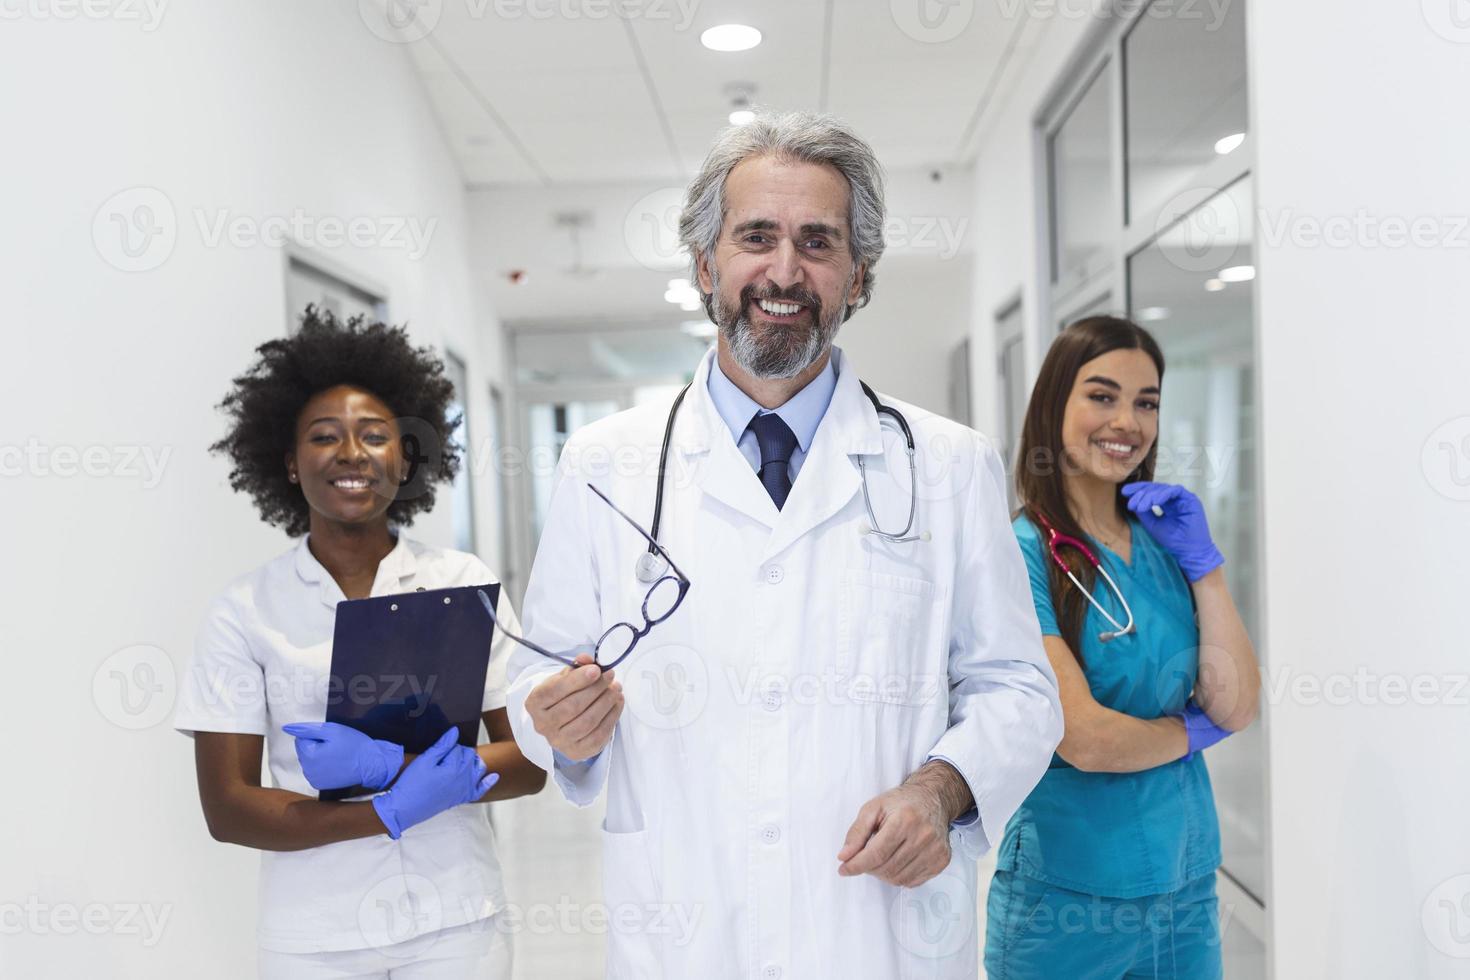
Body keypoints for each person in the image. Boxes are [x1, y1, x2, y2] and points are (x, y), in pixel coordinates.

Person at [499, 110, 1063, 979]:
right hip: (687, 926)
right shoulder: (604, 465)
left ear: (859, 276)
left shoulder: (950, 465)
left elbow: (1019, 690)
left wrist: (940, 789)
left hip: (879, 928)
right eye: (756, 236)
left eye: (819, 242)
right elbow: (535, 684)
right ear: (704, 264)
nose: (785, 271)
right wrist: (559, 723)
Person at [174, 307, 544, 979]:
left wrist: (389, 769)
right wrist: (390, 808)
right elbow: (228, 809)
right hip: (315, 936)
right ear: (288, 463)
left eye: (375, 436)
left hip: (454, 920)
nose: (351, 453)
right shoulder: (244, 611)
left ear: (405, 460)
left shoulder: (462, 585)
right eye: (323, 436)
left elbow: (530, 761)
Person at [984, 316, 1262, 979]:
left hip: (1186, 886)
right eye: (1102, 396)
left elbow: (1238, 700)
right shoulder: (1022, 554)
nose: (1127, 422)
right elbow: (1083, 738)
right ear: (1056, 404)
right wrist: (1191, 733)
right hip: (1068, 901)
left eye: (1147, 402)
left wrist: (1208, 571)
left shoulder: (1166, 541)